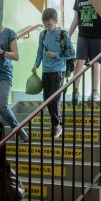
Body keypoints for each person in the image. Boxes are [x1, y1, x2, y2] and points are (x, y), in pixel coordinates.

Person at [33, 8, 76, 139]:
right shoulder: (43, 34)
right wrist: (36, 64)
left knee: (55, 98)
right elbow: (40, 51)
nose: (47, 27)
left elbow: (72, 53)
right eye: (45, 25)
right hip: (46, 71)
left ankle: (56, 125)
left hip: (59, 71)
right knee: (46, 99)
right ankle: (57, 123)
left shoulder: (63, 34)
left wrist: (56, 55)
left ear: (56, 21)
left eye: (49, 24)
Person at [68, 0, 101, 102]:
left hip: (98, 36)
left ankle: (95, 92)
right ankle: (75, 92)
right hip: (82, 36)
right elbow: (75, 20)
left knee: (95, 63)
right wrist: (67, 36)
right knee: (79, 63)